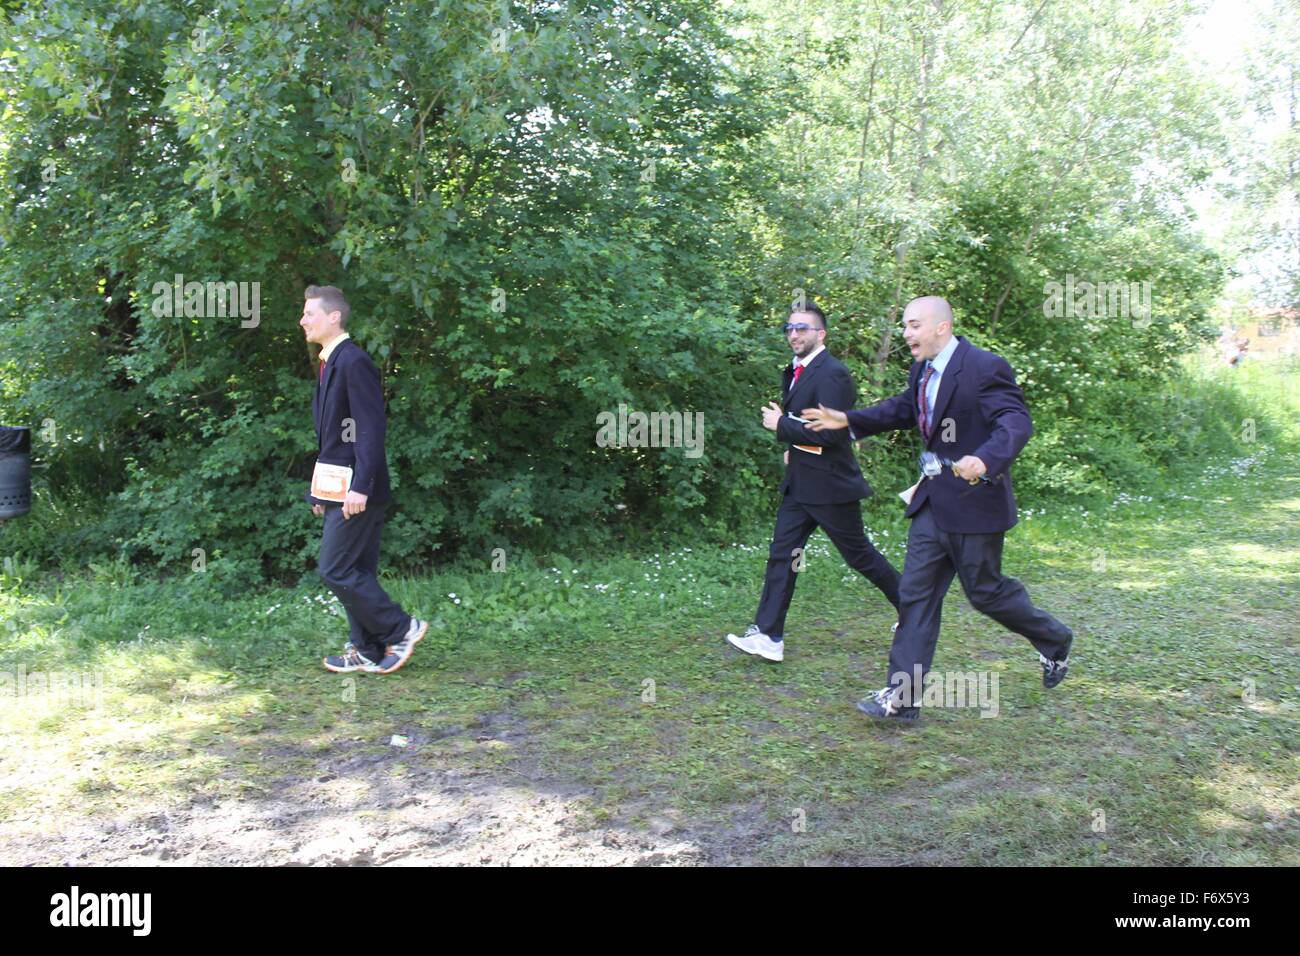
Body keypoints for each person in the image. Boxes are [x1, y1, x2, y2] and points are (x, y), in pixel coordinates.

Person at [802, 295, 1073, 720]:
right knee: (915, 595)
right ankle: (901, 699)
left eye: (913, 325)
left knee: (986, 593)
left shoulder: (985, 367)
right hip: (933, 502)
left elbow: (1015, 421)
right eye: (906, 326)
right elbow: (906, 409)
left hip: (976, 504)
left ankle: (1054, 639)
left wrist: (985, 460)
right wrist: (849, 420)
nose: (907, 333)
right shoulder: (921, 370)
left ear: (941, 327)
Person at [726, 299, 901, 663]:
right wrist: (793, 444)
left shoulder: (833, 373)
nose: (793, 334)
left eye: (801, 328)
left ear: (820, 334)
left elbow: (833, 433)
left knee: (860, 556)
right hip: (800, 482)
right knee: (783, 555)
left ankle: (915, 608)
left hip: (830, 486)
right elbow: (804, 424)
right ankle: (769, 636)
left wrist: (783, 429)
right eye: (789, 328)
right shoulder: (793, 371)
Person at [300, 285, 427, 674]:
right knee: (356, 571)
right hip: (338, 487)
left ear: (333, 317)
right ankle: (367, 648)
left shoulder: (354, 362)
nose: (303, 320)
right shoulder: (329, 363)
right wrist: (318, 490)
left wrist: (361, 486)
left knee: (335, 569)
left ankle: (402, 628)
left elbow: (369, 429)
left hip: (359, 490)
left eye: (310, 314)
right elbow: (336, 438)